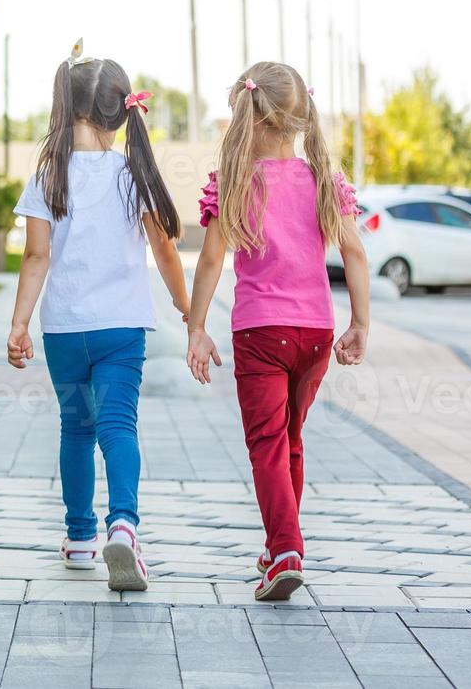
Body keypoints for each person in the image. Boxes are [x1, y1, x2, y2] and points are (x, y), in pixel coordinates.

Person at [6, 42, 190, 592]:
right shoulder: (135, 175)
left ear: (67, 107)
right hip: (121, 328)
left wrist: (18, 323)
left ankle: (80, 537)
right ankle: (125, 527)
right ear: (119, 110)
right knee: (117, 426)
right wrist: (188, 310)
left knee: (76, 429)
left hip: (64, 328)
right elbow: (164, 251)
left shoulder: (48, 175)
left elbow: (36, 256)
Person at [185, 61, 371, 601]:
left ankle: (286, 548)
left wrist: (196, 327)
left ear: (251, 114)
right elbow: (355, 252)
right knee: (289, 439)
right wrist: (360, 323)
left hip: (261, 333)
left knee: (267, 443)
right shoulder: (323, 181)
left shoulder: (235, 181)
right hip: (315, 332)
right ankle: (278, 543)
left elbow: (211, 261)